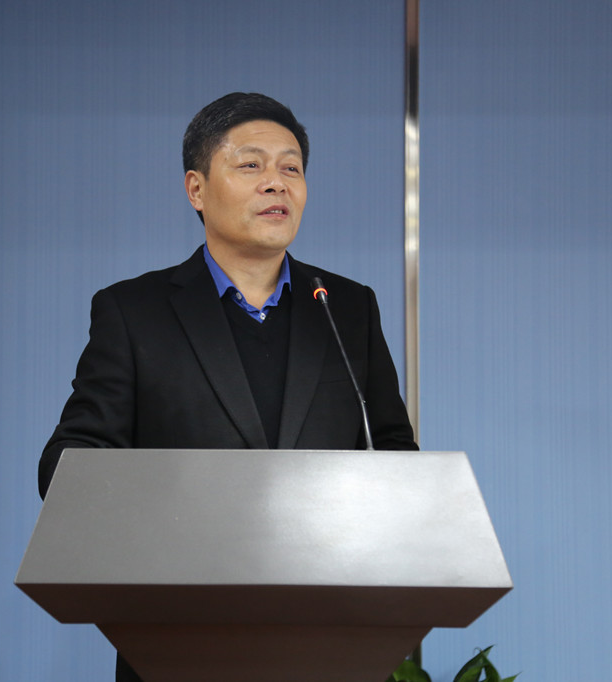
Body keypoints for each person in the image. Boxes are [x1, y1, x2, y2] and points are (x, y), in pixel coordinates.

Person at [38, 92, 418, 682]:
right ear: (196, 189)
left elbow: (392, 452)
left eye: (291, 168)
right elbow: (71, 462)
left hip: (325, 634)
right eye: (251, 165)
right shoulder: (135, 312)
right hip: (179, 635)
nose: (276, 183)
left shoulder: (345, 308)